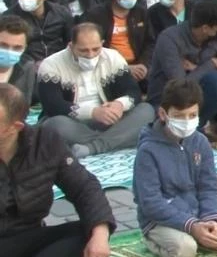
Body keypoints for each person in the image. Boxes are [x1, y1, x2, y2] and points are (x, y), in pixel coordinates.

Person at [134, 78, 217, 257]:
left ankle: (200, 236)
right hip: (160, 220)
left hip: (197, 214)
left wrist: (211, 219)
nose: (186, 122)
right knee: (185, 251)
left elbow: (208, 186)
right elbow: (151, 202)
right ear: (163, 114)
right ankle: (151, 240)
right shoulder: (148, 151)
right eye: (179, 116)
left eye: (192, 115)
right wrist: (191, 226)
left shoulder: (200, 142)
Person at [0, 83, 115, 257]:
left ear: (15, 127)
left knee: (88, 232)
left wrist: (100, 234)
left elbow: (84, 187)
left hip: (30, 235)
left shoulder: (45, 142)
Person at [37, 22, 154, 158]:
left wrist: (119, 104)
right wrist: (93, 112)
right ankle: (118, 139)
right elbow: (53, 106)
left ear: (102, 43)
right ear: (71, 46)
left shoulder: (113, 57)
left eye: (96, 49)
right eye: (83, 51)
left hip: (110, 120)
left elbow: (133, 92)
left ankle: (92, 147)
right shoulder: (51, 65)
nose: (90, 55)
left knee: (146, 110)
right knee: (53, 126)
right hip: (74, 123)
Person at [147, 0, 217, 130]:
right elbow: (180, 86)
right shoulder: (170, 39)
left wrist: (196, 69)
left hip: (198, 100)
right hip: (166, 102)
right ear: (205, 28)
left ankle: (195, 127)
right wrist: (210, 65)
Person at [84, 0, 151, 83]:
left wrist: (143, 65)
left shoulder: (141, 13)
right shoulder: (96, 14)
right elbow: (93, 46)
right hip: (108, 68)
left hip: (138, 66)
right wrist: (123, 68)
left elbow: (150, 42)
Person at [4, 0, 74, 62]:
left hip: (58, 62)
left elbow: (71, 41)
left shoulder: (61, 13)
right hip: (26, 66)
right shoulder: (10, 18)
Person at [0, 16, 33, 105]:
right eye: (3, 45)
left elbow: (24, 105)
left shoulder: (27, 67)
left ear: (24, 48)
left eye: (17, 48)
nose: (9, 51)